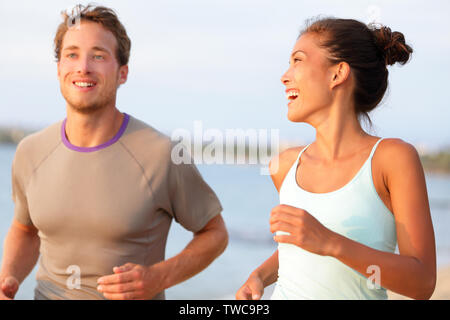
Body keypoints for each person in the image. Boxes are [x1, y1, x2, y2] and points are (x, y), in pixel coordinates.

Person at [0, 4, 228, 300]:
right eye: (72, 54)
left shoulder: (162, 154)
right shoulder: (31, 151)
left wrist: (159, 277)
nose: (83, 67)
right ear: (59, 70)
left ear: (123, 73)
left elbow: (215, 233)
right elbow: (26, 229)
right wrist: (8, 278)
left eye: (98, 55)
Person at [236, 17, 436, 300]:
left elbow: (423, 282)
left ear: (337, 73)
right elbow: (300, 250)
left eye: (298, 60)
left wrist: (330, 242)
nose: (284, 76)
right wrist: (259, 276)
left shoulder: (392, 159)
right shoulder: (284, 166)